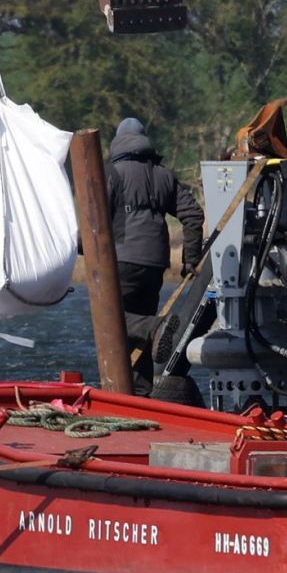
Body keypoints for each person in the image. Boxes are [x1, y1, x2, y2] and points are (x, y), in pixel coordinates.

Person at [107, 118, 205, 388]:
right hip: (155, 264)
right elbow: (193, 214)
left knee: (109, 321)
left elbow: (95, 223)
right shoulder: (163, 175)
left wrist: (76, 247)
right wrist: (191, 259)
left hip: (122, 261)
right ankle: (141, 394)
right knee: (138, 330)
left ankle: (156, 327)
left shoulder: (110, 174)